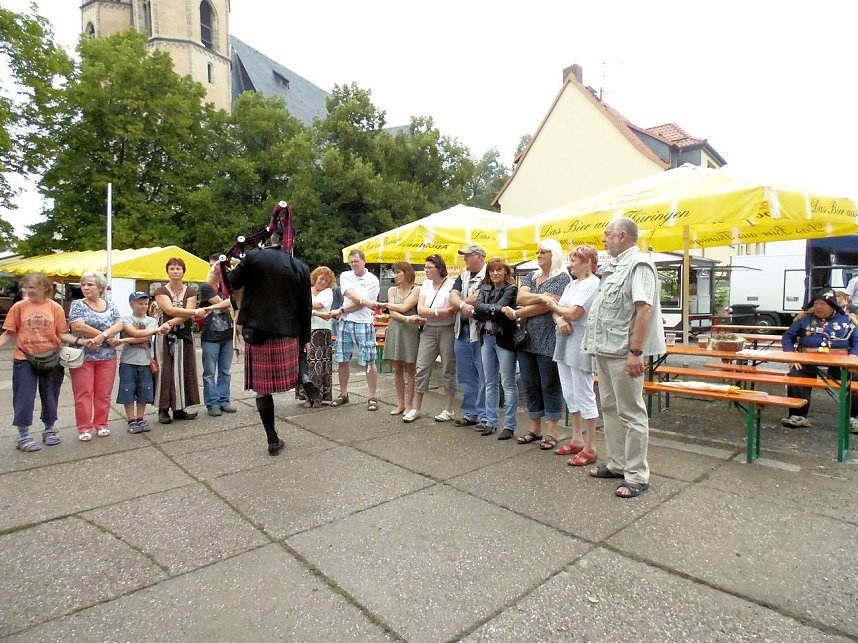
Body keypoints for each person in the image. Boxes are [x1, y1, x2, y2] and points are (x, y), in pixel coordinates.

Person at [582, 217, 665, 499]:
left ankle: (637, 475)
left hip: (623, 353)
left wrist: (636, 352)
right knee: (610, 408)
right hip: (606, 350)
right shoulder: (614, 267)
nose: (603, 239)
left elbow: (644, 310)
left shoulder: (639, 264)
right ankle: (617, 464)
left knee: (631, 413)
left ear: (622, 236)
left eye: (607, 234)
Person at [226, 216, 315, 455]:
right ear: (291, 239)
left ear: (271, 236)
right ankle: (302, 373)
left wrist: (227, 266)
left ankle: (272, 440)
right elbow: (306, 306)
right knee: (290, 365)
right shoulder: (300, 266)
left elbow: (232, 282)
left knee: (262, 389)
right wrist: (304, 339)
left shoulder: (253, 257)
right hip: (287, 332)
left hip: (257, 331)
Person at [0, 272, 80, 452]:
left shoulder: (55, 308)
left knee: (50, 396)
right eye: (24, 287)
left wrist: (79, 341)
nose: (26, 291)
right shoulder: (19, 307)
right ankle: (23, 436)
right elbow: (9, 333)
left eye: (31, 287)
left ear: (45, 288)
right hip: (24, 358)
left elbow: (62, 333)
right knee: (23, 398)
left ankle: (49, 429)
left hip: (51, 358)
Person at [502, 239, 570, 449]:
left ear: (554, 254)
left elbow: (546, 308)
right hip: (527, 337)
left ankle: (552, 431)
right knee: (530, 383)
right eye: (538, 252)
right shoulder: (532, 275)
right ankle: (535, 428)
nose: (539, 255)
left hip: (549, 337)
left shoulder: (563, 277)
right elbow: (521, 297)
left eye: (544, 252)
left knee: (549, 384)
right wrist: (541, 297)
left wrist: (517, 314)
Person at [542, 244, 601, 466]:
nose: (570, 263)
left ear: (588, 262)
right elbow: (559, 313)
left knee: (584, 392)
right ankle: (576, 438)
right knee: (569, 392)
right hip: (564, 340)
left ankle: (591, 446)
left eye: (575, 259)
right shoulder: (572, 284)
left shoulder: (592, 283)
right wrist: (558, 317)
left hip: (580, 342)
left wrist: (552, 306)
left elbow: (575, 313)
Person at [780, 288, 858, 432]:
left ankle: (854, 418)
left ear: (832, 305)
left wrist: (853, 356)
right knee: (795, 375)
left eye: (822, 304)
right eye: (816, 304)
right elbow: (787, 337)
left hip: (841, 363)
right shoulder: (804, 319)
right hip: (807, 360)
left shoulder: (848, 320)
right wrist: (791, 355)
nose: (818, 307)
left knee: (856, 378)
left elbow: (857, 341)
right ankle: (798, 415)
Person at [68, 270, 125, 441]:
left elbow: (120, 323)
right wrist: (104, 335)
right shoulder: (78, 304)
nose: (85, 287)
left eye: (90, 284)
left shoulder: (111, 304)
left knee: (104, 393)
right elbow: (77, 326)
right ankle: (84, 427)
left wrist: (102, 337)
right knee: (83, 393)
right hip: (83, 356)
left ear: (100, 287)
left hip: (107, 356)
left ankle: (101, 424)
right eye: (83, 284)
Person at [403, 254, 457, 423]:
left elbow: (449, 311)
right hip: (428, 330)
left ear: (439, 269)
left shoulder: (451, 284)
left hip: (447, 329)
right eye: (425, 267)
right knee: (422, 367)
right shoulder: (426, 285)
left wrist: (431, 313)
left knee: (448, 367)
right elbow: (420, 309)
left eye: (429, 267)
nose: (425, 270)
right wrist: (436, 313)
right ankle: (415, 408)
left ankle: (448, 409)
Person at [473, 257, 518, 439]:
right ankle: (490, 422)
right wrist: (494, 310)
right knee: (490, 383)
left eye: (499, 270)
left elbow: (499, 311)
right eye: (492, 270)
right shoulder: (484, 288)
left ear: (506, 272)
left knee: (508, 382)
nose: (495, 273)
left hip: (504, 339)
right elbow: (477, 309)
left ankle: (509, 425)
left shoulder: (511, 289)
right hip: (486, 338)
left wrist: (487, 311)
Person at [329, 250, 380, 411]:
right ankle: (343, 393)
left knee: (369, 360)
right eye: (351, 262)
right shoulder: (345, 275)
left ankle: (372, 396)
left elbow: (359, 304)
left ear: (364, 261)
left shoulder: (372, 279)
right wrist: (364, 300)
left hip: (363, 322)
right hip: (345, 322)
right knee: (342, 359)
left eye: (356, 261)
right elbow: (350, 294)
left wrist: (341, 310)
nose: (353, 264)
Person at [154, 258, 200, 424]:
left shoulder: (191, 291)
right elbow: (169, 309)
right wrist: (193, 312)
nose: (175, 271)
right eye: (172, 268)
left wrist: (171, 322)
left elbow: (187, 312)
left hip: (184, 336)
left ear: (183, 271)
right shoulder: (161, 290)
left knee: (184, 370)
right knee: (165, 371)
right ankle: (163, 409)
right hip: (165, 336)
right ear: (167, 271)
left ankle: (180, 409)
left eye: (178, 268)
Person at [116, 292, 171, 433]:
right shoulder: (125, 319)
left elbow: (144, 338)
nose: (143, 306)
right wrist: (154, 331)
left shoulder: (152, 321)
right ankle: (131, 419)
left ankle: (140, 418)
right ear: (131, 304)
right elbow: (135, 333)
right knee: (127, 390)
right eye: (140, 303)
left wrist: (123, 340)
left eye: (146, 303)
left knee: (144, 391)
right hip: (128, 361)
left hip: (146, 362)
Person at [448, 244, 488, 428]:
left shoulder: (489, 274)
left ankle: (485, 415)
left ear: (480, 257)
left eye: (468, 255)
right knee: (465, 376)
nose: (464, 259)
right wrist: (462, 305)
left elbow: (480, 297)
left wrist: (459, 303)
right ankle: (470, 414)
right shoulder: (462, 276)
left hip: (481, 334)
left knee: (484, 375)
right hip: (461, 332)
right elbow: (452, 295)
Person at [195, 257, 237, 417]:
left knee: (225, 371)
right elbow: (229, 305)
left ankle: (224, 400)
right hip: (210, 335)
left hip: (227, 334)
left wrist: (232, 305)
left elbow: (234, 304)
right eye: (215, 267)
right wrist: (231, 304)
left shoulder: (229, 286)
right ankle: (212, 403)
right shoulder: (206, 287)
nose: (219, 270)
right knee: (209, 372)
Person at [381, 261, 420, 416]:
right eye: (394, 272)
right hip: (396, 329)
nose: (395, 275)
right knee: (397, 368)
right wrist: (408, 319)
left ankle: (410, 404)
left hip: (410, 332)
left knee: (411, 368)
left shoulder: (417, 289)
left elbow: (403, 308)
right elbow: (392, 314)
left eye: (398, 272)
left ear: (406, 272)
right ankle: (401, 403)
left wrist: (387, 306)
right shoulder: (392, 290)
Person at [297, 266, 336, 407]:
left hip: (321, 331)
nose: (323, 282)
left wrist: (309, 309)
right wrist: (316, 312)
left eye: (326, 280)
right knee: (306, 363)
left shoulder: (328, 292)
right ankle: (307, 396)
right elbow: (299, 306)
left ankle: (318, 397)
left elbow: (318, 305)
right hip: (305, 329)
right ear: (315, 277)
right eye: (321, 278)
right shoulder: (306, 289)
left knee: (319, 365)